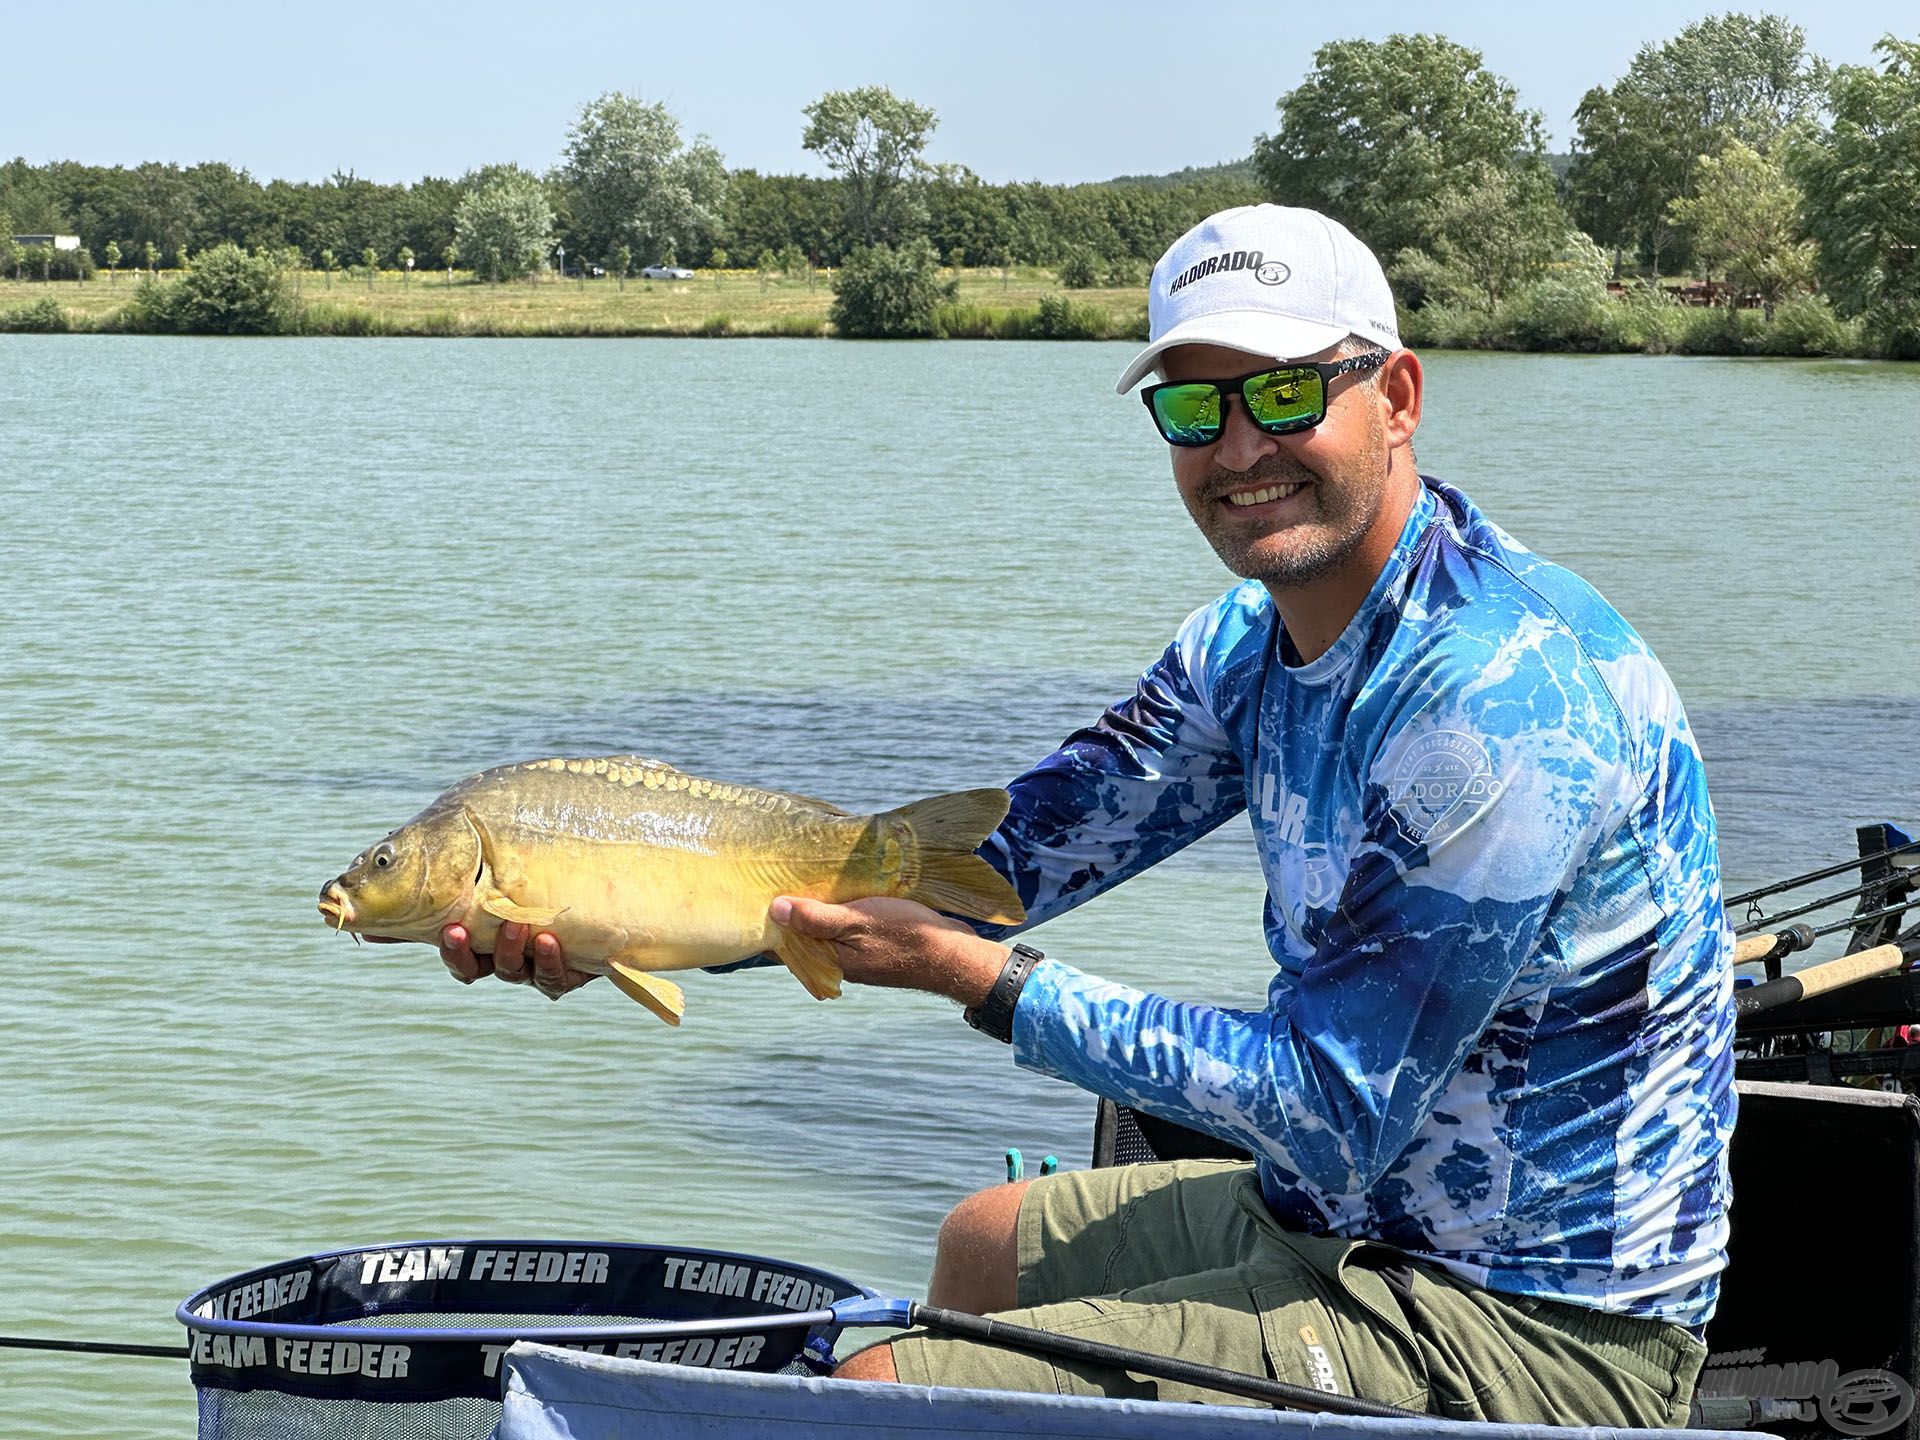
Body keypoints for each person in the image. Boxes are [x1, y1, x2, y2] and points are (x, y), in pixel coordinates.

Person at [439, 204, 1735, 1426]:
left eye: (1286, 393)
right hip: (1340, 1219)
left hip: (1529, 1325)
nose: (1239, 451)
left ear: (1394, 397)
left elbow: (1328, 1109)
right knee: (983, 1245)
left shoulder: (1498, 704)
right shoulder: (1249, 643)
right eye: (1192, 406)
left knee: (883, 1394)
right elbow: (996, 868)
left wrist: (992, 986)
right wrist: (626, 920)